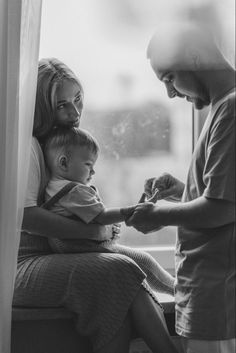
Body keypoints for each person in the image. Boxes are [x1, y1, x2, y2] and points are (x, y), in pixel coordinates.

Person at [13, 58, 179, 353]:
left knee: (133, 264)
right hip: (18, 268)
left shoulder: (59, 143)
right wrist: (91, 234)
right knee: (119, 270)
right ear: (40, 105)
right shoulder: (28, 146)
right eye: (61, 104)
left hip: (52, 253)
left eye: (77, 99)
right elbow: (26, 218)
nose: (74, 112)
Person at [127, 22, 235, 353]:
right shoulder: (220, 107)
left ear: (194, 56)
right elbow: (218, 193)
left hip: (220, 299)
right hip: (208, 296)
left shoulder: (231, 109)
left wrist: (158, 215)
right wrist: (181, 190)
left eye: (169, 78)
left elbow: (223, 208)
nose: (170, 93)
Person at [42, 126, 174, 297]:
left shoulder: (52, 186)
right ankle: (178, 290)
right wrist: (130, 210)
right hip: (80, 244)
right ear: (64, 163)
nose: (93, 171)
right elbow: (102, 216)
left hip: (64, 245)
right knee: (143, 260)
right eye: (88, 164)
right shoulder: (74, 190)